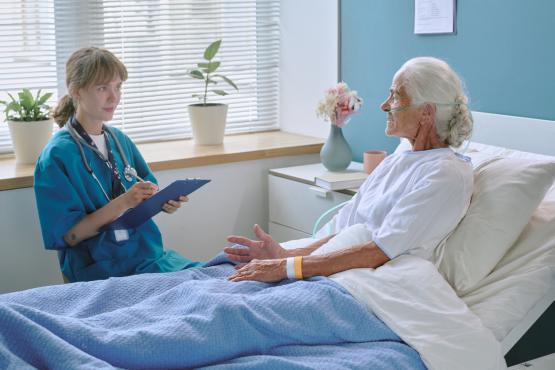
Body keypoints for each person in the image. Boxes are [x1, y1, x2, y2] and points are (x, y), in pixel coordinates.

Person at [225, 57, 474, 283]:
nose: (384, 106)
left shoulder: (446, 174)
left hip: (374, 283)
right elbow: (343, 233)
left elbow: (379, 250)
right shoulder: (394, 162)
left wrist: (287, 267)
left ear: (426, 113)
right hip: (340, 270)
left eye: (396, 97)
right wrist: (285, 254)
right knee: (222, 271)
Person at [34, 47, 202, 282]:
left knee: (218, 273)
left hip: (148, 257)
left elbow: (145, 192)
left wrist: (163, 202)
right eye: (103, 88)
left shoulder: (119, 140)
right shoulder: (57, 156)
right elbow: (69, 237)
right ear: (76, 91)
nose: (114, 97)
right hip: (100, 268)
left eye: (118, 86)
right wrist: (124, 202)